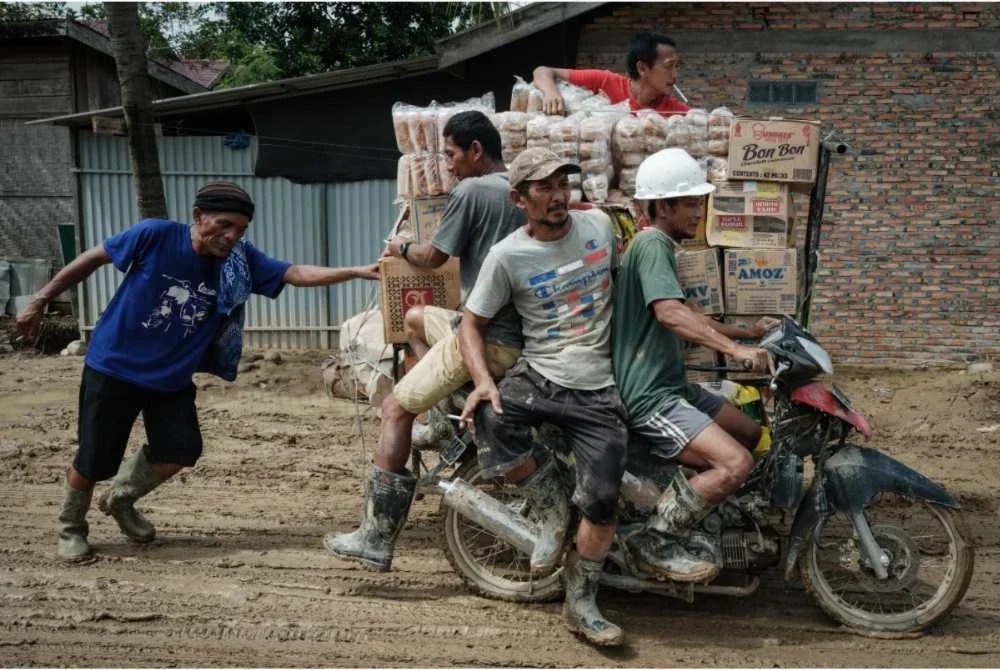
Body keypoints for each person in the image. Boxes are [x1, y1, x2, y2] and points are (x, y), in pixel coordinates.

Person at [15, 181, 379, 563]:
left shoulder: (239, 260)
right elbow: (92, 258)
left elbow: (295, 272)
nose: (232, 236)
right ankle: (71, 527)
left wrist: (356, 271)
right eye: (224, 225)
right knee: (94, 459)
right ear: (198, 215)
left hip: (171, 378)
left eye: (240, 229)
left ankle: (120, 498)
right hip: (114, 367)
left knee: (180, 450)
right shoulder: (155, 235)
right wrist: (40, 300)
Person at [324, 110, 526, 572]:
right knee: (416, 320)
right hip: (514, 329)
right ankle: (438, 416)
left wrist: (399, 248)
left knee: (394, 408)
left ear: (477, 150)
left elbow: (433, 257)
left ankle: (375, 537)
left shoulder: (472, 191)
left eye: (452, 154)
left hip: (486, 336)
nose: (448, 165)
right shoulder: (521, 188)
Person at [458, 148, 628, 647]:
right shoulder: (506, 255)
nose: (558, 196)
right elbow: (470, 324)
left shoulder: (599, 226)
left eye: (562, 184)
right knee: (490, 417)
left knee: (602, 500)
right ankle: (551, 505)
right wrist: (483, 381)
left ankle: (582, 602)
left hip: (598, 386)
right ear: (519, 199)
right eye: (544, 188)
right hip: (541, 376)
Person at [611, 148, 776, 582]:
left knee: (751, 433)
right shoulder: (651, 244)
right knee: (736, 463)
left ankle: (708, 506)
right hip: (650, 397)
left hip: (674, 386)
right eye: (689, 203)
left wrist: (747, 332)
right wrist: (736, 352)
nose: (699, 213)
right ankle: (655, 539)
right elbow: (670, 314)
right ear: (662, 206)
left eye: (700, 203)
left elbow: (688, 314)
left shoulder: (659, 247)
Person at [532, 32, 689, 116]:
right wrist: (551, 92)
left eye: (677, 66)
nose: (675, 74)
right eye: (669, 66)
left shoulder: (675, 111)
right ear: (642, 68)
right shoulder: (604, 82)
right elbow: (542, 71)